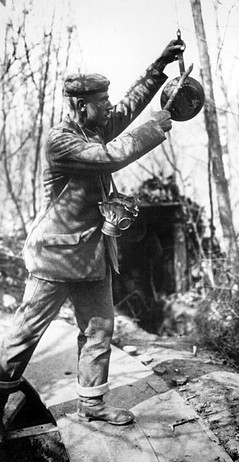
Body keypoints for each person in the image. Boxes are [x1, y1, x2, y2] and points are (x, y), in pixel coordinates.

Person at [0, 37, 185, 440]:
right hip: (56, 257)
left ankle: (92, 405)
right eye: (101, 101)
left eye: (107, 100)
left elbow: (129, 107)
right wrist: (155, 128)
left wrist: (159, 68)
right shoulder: (63, 141)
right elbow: (111, 157)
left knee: (100, 330)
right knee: (25, 334)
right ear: (82, 105)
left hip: (94, 255)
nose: (108, 107)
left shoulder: (95, 126)